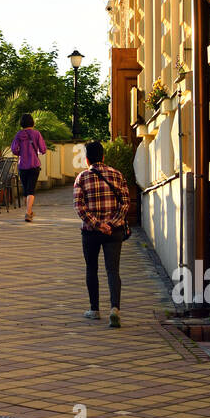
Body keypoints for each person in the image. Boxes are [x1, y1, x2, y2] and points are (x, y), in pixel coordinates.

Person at [73, 139, 131, 328]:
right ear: (104, 157)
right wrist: (111, 224)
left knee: (92, 269)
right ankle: (115, 308)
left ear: (87, 159)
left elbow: (79, 207)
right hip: (114, 232)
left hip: (90, 232)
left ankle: (94, 309)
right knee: (113, 270)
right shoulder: (117, 175)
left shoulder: (82, 177)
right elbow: (125, 203)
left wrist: (97, 224)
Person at [10, 113, 47, 222]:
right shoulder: (37, 134)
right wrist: (36, 151)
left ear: (22, 123)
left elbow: (14, 149)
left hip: (22, 166)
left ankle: (29, 211)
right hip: (34, 165)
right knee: (31, 190)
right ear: (32, 122)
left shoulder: (19, 134)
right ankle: (28, 212)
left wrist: (22, 152)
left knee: (26, 191)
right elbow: (43, 149)